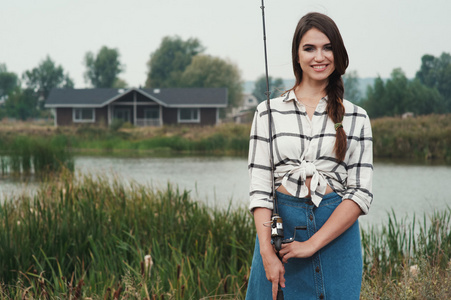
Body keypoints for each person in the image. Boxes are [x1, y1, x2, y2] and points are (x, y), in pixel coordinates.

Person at [246, 12, 373, 300]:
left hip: (335, 238)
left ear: (338, 53)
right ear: (297, 55)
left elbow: (360, 194)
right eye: (309, 48)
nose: (320, 56)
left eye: (327, 47)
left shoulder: (357, 117)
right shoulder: (267, 112)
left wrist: (312, 244)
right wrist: (267, 251)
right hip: (281, 232)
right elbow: (259, 189)